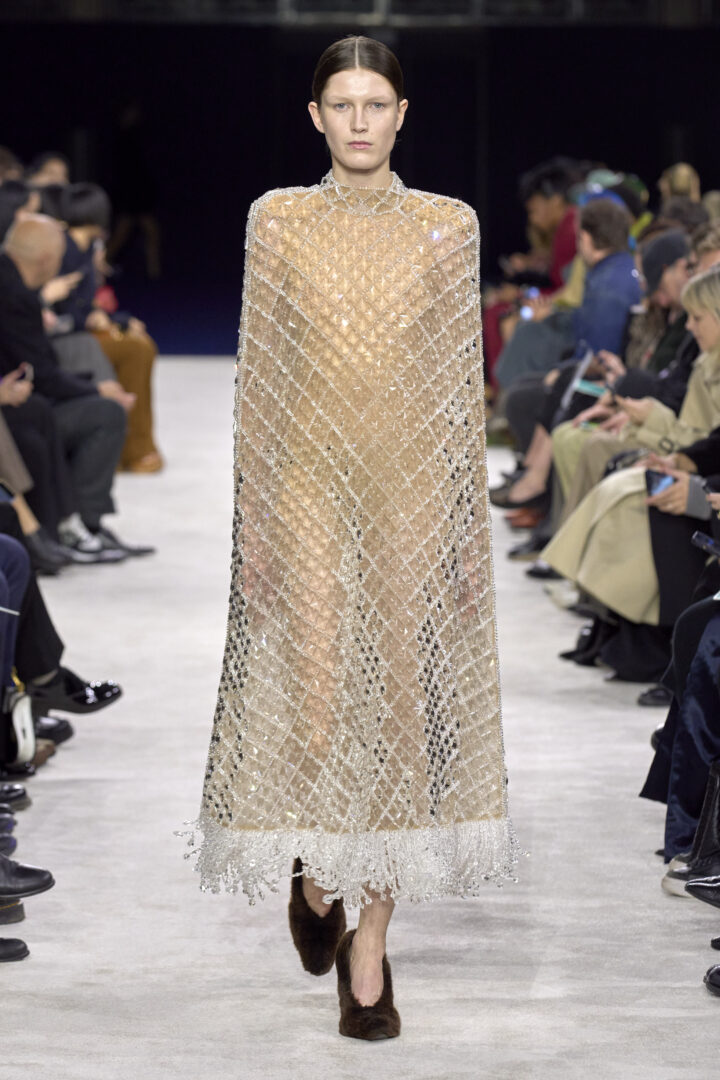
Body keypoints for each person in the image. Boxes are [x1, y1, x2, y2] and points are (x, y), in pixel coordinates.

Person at [183, 34, 517, 1041]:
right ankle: (319, 874)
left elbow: (459, 393)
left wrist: (464, 531)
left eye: (377, 103)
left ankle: (369, 950)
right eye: (344, 104)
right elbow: (260, 381)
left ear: (403, 115)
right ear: (316, 116)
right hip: (306, 489)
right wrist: (255, 524)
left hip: (411, 491)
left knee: (402, 714)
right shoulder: (278, 220)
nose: (361, 120)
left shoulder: (447, 227)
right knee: (324, 707)